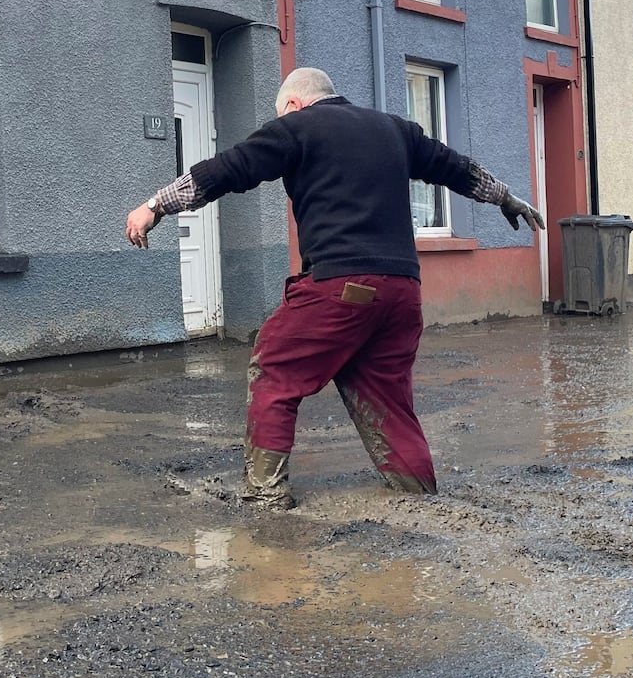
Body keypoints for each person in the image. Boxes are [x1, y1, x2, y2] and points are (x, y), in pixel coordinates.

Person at [125, 67, 543, 510]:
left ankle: (265, 499)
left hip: (342, 287)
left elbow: (228, 169)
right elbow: (457, 169)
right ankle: (420, 498)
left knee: (273, 370)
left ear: (293, 105)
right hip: (402, 293)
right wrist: (505, 197)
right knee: (386, 397)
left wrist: (156, 206)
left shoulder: (298, 127)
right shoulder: (396, 130)